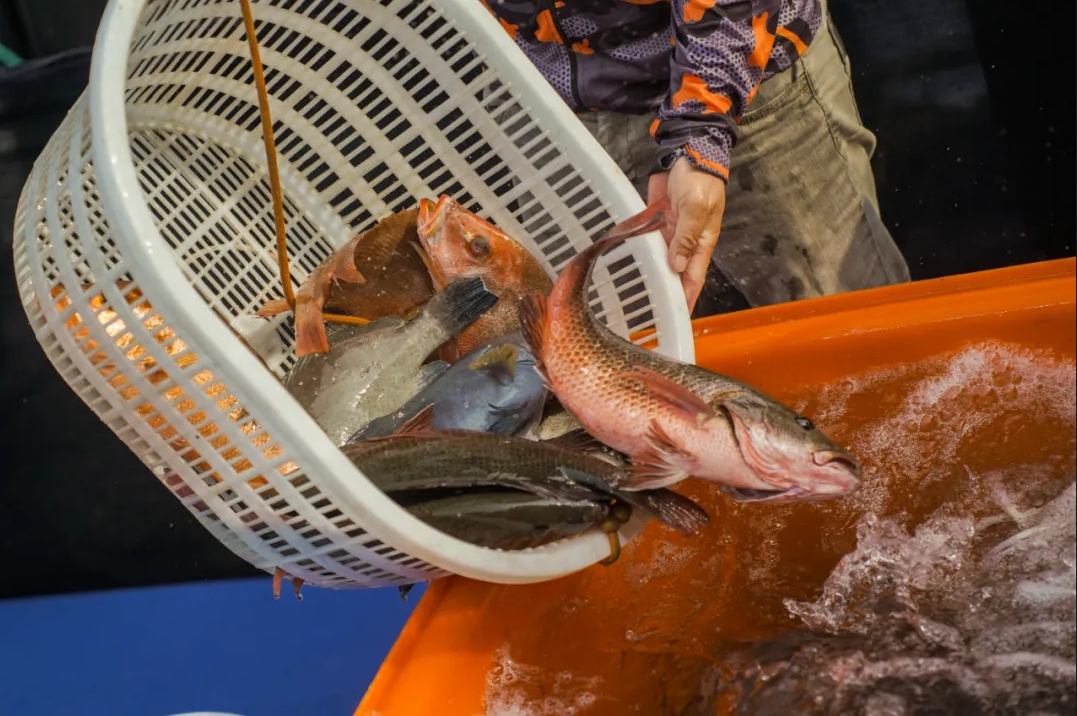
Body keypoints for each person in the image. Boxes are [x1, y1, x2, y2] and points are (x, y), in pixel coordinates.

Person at [479, 0, 911, 316]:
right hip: (540, 98)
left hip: (746, 72)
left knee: (849, 334)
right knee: (598, 357)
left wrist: (700, 130)